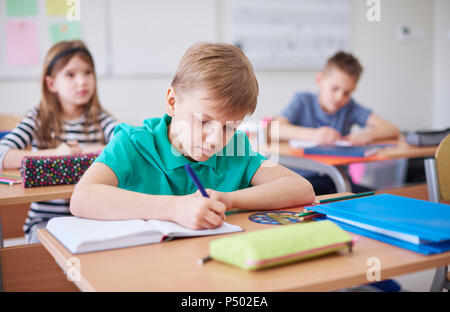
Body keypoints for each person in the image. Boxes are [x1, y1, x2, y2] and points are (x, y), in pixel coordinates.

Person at [70, 42, 315, 230]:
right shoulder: (133, 143)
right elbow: (82, 198)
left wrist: (229, 199)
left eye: (229, 126)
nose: (215, 139)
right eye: (204, 121)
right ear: (172, 102)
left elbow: (302, 189)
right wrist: (175, 208)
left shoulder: (234, 148)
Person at [0, 40, 118, 243]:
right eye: (70, 74)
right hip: (45, 221)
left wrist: (86, 149)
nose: (82, 81)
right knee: (54, 244)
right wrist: (55, 154)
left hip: (90, 218)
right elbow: (2, 153)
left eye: (88, 72)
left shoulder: (100, 120)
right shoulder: (38, 119)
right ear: (51, 83)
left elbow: (128, 143)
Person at [273, 51, 400, 194]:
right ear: (320, 80)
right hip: (304, 181)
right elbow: (274, 129)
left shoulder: (349, 107)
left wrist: (368, 134)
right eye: (334, 89)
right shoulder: (302, 101)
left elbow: (391, 129)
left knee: (379, 197)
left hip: (338, 180)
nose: (340, 97)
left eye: (347, 93)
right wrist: (315, 135)